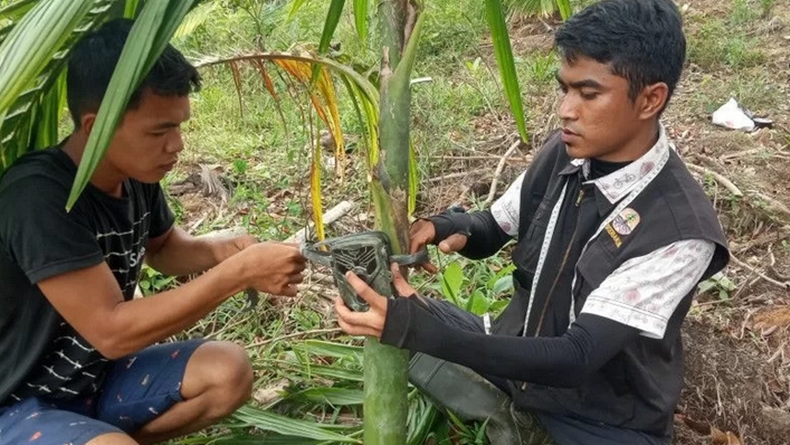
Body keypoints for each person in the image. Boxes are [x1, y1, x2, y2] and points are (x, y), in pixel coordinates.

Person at [334, 0, 730, 444]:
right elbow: (493, 227)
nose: (565, 109)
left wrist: (416, 330)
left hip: (597, 416)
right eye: (564, 89)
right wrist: (443, 227)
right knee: (399, 317)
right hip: (517, 359)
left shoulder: (679, 230)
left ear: (650, 99)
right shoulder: (566, 154)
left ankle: (519, 424)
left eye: (588, 93)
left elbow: (577, 356)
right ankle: (510, 417)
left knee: (415, 330)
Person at [0, 19, 306, 445]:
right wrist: (239, 274)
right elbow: (112, 331)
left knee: (227, 371)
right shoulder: (39, 197)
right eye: (160, 131)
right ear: (95, 127)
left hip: (95, 379)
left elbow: (164, 248)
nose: (177, 145)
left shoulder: (135, 172)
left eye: (179, 126)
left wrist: (227, 251)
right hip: (18, 404)